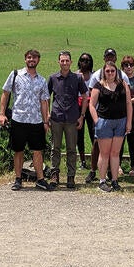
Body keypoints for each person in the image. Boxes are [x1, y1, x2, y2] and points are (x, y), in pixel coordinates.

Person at [0, 49, 53, 191]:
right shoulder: (15, 75)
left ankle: (40, 179)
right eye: (29, 57)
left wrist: (46, 121)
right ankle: (18, 179)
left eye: (34, 58)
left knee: (38, 151)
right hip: (18, 119)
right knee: (18, 150)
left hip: (36, 121)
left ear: (38, 60)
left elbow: (44, 102)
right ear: (25, 59)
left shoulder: (42, 80)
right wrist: (2, 114)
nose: (31, 60)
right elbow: (5, 93)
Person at [85, 48, 130, 183]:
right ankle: (102, 180)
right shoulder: (98, 83)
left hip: (120, 121)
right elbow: (91, 104)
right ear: (104, 71)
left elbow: (128, 103)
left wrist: (128, 122)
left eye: (112, 71)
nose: (110, 73)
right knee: (103, 153)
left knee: (115, 153)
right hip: (104, 121)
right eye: (108, 71)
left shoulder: (123, 82)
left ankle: (115, 180)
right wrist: (97, 121)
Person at [47, 51, 88, 189]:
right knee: (55, 148)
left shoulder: (77, 78)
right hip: (56, 118)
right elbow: (46, 97)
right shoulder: (52, 78)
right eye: (62, 60)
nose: (64, 63)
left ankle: (71, 176)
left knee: (72, 149)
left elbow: (85, 96)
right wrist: (47, 114)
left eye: (67, 61)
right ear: (58, 62)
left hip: (72, 118)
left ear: (71, 62)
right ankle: (55, 174)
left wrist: (82, 116)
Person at [120, 55, 134, 177]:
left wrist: (128, 101)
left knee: (132, 141)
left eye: (131, 65)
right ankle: (117, 165)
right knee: (120, 141)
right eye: (126, 65)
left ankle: (133, 166)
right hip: (121, 114)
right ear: (122, 67)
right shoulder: (119, 79)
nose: (129, 67)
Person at [76, 52, 94, 169]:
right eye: (82, 60)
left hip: (91, 106)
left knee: (94, 134)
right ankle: (82, 160)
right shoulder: (75, 75)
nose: (85, 62)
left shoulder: (94, 75)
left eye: (87, 60)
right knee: (79, 135)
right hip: (78, 107)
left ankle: (95, 160)